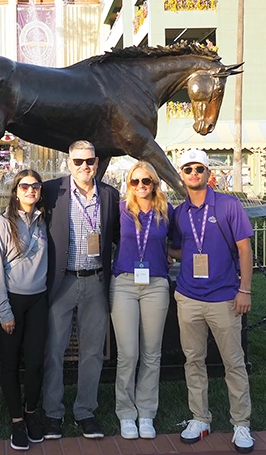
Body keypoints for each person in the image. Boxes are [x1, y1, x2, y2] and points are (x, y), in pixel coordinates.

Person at [167, 149, 255, 454]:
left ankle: (241, 423)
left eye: (199, 169)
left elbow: (244, 250)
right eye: (188, 169)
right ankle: (200, 418)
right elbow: (183, 250)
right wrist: (165, 253)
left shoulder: (228, 205)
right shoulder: (179, 213)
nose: (193, 173)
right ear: (182, 174)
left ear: (208, 173)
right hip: (188, 297)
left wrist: (245, 290)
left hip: (224, 298)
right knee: (193, 361)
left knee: (233, 362)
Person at [41, 140, 120, 440]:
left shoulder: (110, 195)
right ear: (68, 162)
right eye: (78, 161)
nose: (84, 167)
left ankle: (85, 411)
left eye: (89, 161)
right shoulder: (52, 191)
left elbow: (119, 236)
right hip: (62, 281)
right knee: (55, 350)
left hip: (97, 281)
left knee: (92, 352)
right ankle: (52, 413)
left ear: (97, 163)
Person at [0, 169, 49, 451]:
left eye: (35, 186)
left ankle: (32, 412)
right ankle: (16, 421)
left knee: (35, 362)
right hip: (11, 299)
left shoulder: (45, 219)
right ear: (15, 191)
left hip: (39, 300)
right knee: (10, 363)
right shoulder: (2, 223)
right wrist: (3, 310)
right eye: (25, 186)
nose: (30, 191)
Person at [111, 162, 172, 440]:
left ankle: (146, 412)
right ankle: (126, 412)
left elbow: (180, 243)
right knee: (128, 353)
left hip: (156, 284)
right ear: (129, 184)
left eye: (146, 181)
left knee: (151, 353)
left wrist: (167, 253)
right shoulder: (120, 210)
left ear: (154, 183)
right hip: (124, 283)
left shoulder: (166, 211)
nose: (140, 186)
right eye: (135, 182)